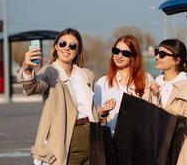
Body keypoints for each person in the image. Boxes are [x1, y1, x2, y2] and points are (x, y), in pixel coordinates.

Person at [16, 28, 115, 165]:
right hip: (66, 139)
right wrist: (27, 68)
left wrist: (102, 111)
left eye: (72, 46)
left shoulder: (87, 75)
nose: (67, 48)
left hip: (91, 137)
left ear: (78, 51)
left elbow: (87, 109)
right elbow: (33, 87)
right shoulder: (50, 71)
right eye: (62, 44)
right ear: (56, 47)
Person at [94, 34, 153, 134]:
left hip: (137, 141)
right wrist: (104, 112)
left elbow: (152, 114)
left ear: (133, 57)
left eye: (125, 53)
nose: (119, 55)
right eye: (116, 51)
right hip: (110, 142)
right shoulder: (102, 82)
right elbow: (95, 116)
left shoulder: (146, 79)